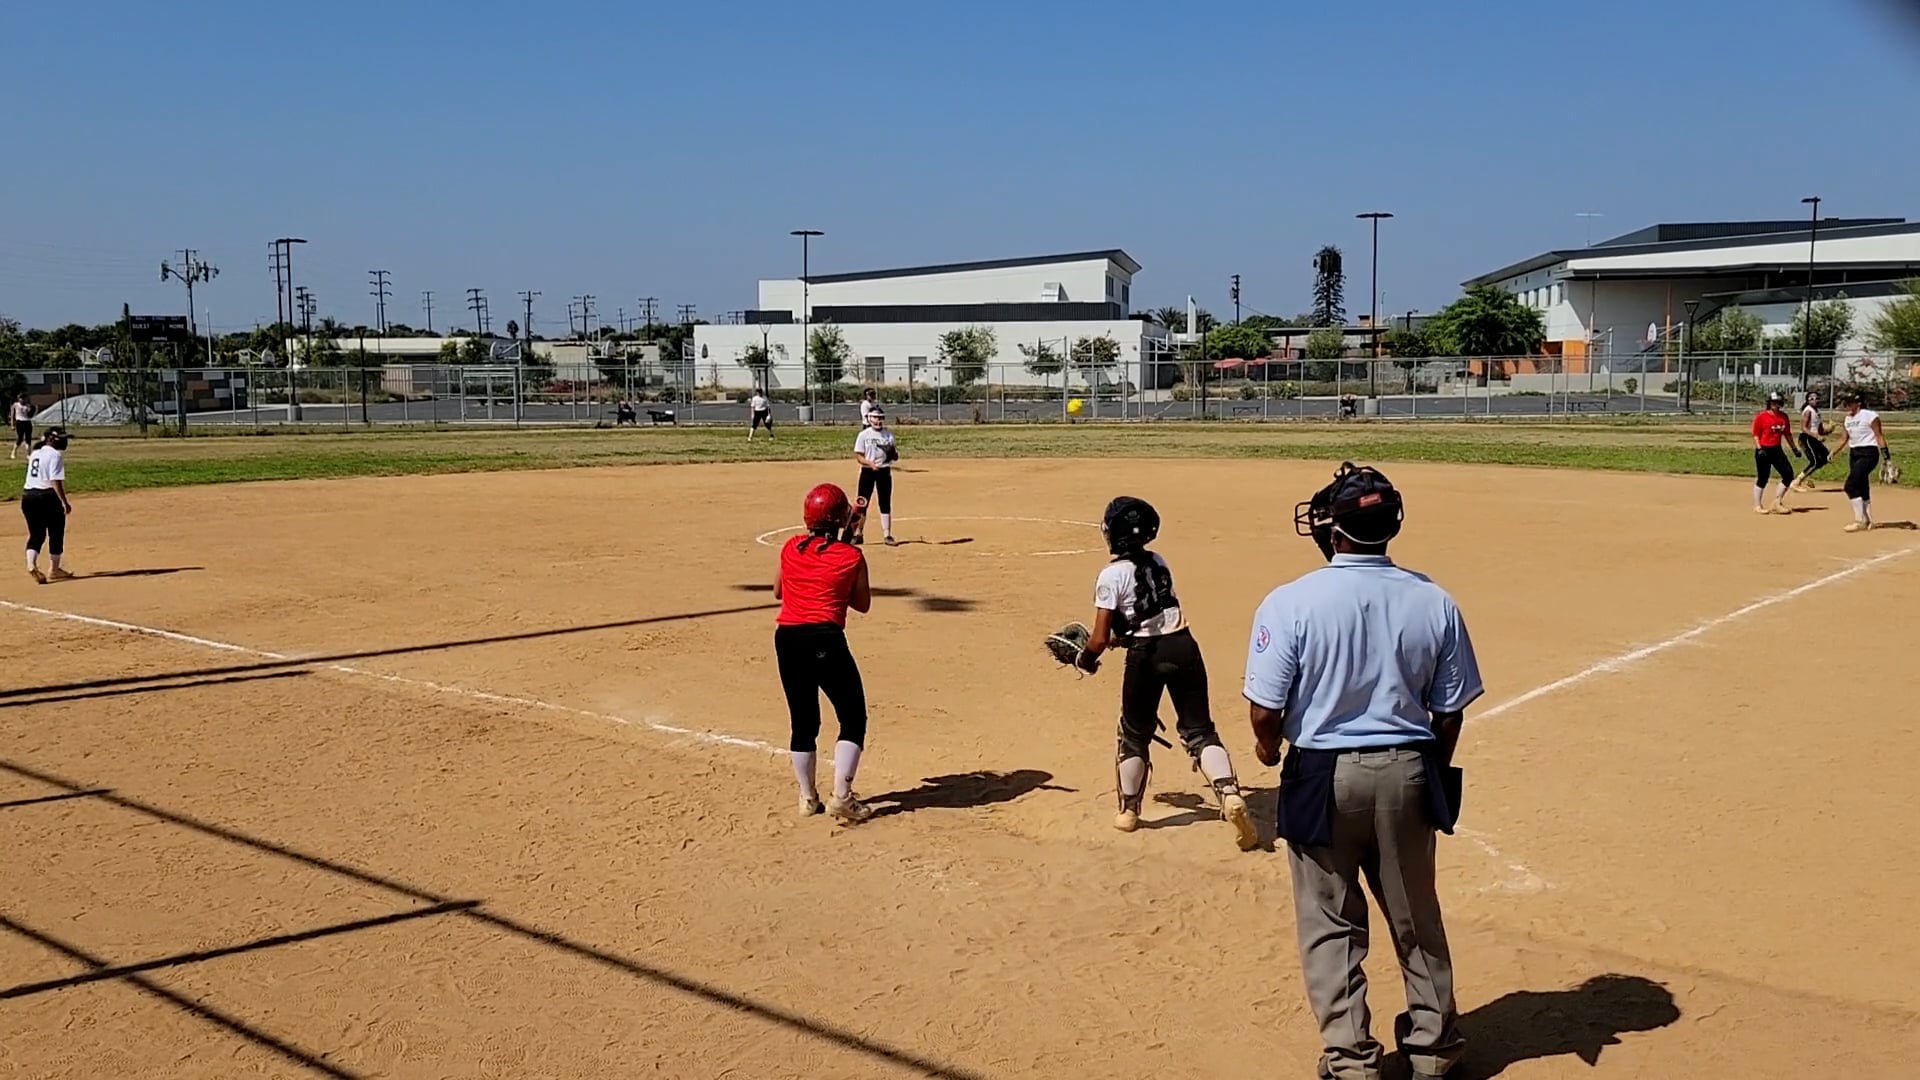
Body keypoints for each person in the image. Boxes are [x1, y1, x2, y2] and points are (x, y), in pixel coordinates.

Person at [1244, 462, 1483, 1080]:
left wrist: (1268, 752)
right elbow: (1449, 711)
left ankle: (1352, 1061)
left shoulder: (1290, 600)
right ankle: (1433, 1051)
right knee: (1416, 918)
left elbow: (1265, 711)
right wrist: (1423, 770)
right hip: (1408, 768)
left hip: (1320, 774)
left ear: (1334, 531)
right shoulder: (1433, 599)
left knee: (1329, 923)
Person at [1076, 496, 1257, 851]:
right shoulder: (1158, 561)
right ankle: (1229, 793)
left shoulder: (1110, 575)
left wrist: (1086, 659)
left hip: (1145, 657)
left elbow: (1098, 638)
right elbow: (1150, 615)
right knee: (1200, 731)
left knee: (1133, 734)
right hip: (1183, 646)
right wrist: (1118, 639)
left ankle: (1129, 811)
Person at [774, 483, 876, 824]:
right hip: (825, 640)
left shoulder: (790, 547)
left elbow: (778, 591)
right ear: (841, 520)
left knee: (803, 722)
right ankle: (842, 798)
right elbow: (862, 604)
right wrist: (846, 556)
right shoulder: (851, 557)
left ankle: (807, 798)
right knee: (852, 718)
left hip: (787, 639)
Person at [22, 427, 74, 585]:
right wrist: (64, 502)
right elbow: (54, 480)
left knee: (36, 534)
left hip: (28, 497)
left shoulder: (35, 453)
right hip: (47, 497)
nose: (64, 441)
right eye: (62, 438)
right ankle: (54, 570)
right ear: (53, 439)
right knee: (56, 532)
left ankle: (31, 564)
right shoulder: (55, 455)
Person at [1838, 391, 1892, 533]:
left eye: (1850, 402)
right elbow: (1844, 438)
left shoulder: (1870, 415)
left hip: (1869, 453)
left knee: (1850, 485)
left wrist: (1886, 458)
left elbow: (1879, 436)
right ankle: (1868, 519)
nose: (1847, 405)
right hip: (1854, 453)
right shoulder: (1847, 419)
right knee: (1862, 485)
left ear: (1859, 403)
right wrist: (1833, 452)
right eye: (1846, 403)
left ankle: (1860, 521)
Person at [852, 407, 898, 545]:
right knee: (862, 503)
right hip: (868, 472)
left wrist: (893, 454)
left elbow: (894, 456)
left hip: (884, 471)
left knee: (885, 502)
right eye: (875, 417)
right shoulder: (864, 435)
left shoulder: (888, 436)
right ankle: (859, 533)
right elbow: (859, 456)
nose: (878, 420)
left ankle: (887, 535)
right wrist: (870, 463)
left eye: (880, 417)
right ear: (869, 419)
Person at [1750, 391, 1799, 515]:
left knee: (1788, 474)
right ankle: (1757, 505)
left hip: (1776, 450)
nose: (1775, 404)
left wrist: (1794, 449)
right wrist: (1759, 449)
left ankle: (1777, 502)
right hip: (1764, 449)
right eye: (1772, 402)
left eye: (1777, 402)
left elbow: (1787, 434)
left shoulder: (1783, 417)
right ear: (1769, 403)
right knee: (1763, 478)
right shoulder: (1762, 417)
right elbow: (1755, 434)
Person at [1795, 390, 1832, 491]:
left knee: (1825, 458)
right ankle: (1796, 482)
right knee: (1815, 461)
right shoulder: (1808, 411)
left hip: (1814, 438)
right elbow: (1804, 428)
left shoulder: (1817, 411)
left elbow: (1819, 429)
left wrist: (1827, 431)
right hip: (1806, 438)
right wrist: (1817, 436)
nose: (1814, 400)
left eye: (1816, 398)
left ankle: (1807, 477)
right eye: (1811, 398)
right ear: (1808, 401)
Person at [10, 395, 31, 460]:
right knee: (20, 438)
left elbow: (30, 415)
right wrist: (12, 425)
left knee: (28, 438)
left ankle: (28, 454)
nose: (22, 400)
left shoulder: (28, 405)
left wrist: (31, 410)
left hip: (27, 422)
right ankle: (13, 452)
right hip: (19, 422)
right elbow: (12, 415)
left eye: (23, 398)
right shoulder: (15, 405)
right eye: (20, 398)